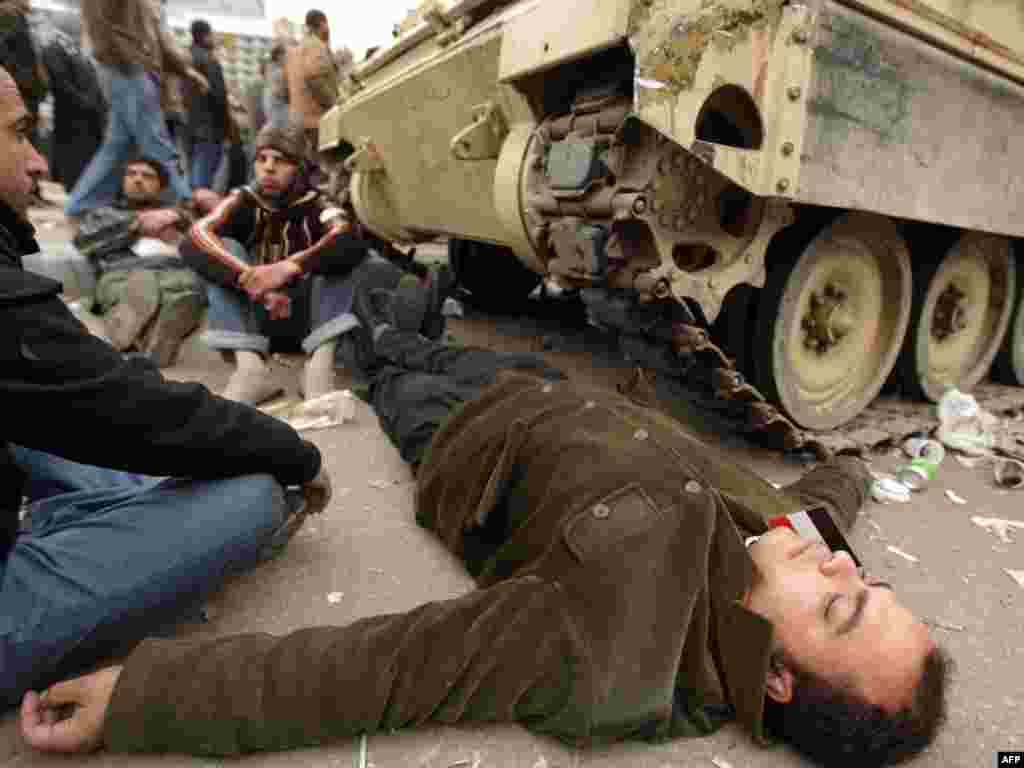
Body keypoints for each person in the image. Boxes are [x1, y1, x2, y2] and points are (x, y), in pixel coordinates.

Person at [19, 259, 950, 766]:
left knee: (390, 365)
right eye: (864, 583)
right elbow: (826, 508)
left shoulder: (612, 653)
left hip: (465, 442)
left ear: (775, 680)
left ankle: (379, 331)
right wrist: (855, 465)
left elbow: (374, 668)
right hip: (554, 394)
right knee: (432, 331)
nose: (838, 569)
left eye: (841, 608)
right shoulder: (796, 556)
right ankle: (404, 313)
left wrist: (141, 696)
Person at [0, 64, 332, 715]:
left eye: (279, 160)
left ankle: (120, 506)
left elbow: (339, 246)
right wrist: (244, 272)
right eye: (18, 134)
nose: (40, 157)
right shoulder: (157, 215)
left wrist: (289, 264)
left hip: (270, 314)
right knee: (254, 489)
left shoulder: (315, 211)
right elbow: (115, 401)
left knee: (106, 389)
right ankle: (144, 498)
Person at [181, 122, 370, 405]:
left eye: (280, 160)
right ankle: (250, 371)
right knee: (223, 249)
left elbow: (349, 236)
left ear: (301, 168)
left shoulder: (319, 202)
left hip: (309, 322)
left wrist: (289, 267)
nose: (268, 168)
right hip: (255, 319)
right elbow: (195, 237)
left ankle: (318, 370)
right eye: (261, 159)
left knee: (340, 254)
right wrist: (248, 278)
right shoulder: (242, 199)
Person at [66, 0, 210, 222]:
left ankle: (81, 203)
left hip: (127, 68)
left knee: (117, 147)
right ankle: (184, 201)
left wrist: (185, 71)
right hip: (130, 69)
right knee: (155, 142)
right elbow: (109, 27)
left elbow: (157, 41)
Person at [71, 157, 212, 366]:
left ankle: (150, 336)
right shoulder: (104, 213)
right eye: (132, 174)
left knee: (183, 291)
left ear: (161, 186)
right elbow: (83, 243)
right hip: (123, 274)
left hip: (174, 272)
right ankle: (145, 332)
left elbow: (205, 248)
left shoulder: (179, 217)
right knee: (135, 289)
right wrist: (135, 225)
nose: (137, 180)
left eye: (147, 176)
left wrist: (180, 220)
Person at [285, 9, 338, 165]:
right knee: (324, 169)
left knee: (306, 170)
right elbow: (314, 77)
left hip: (298, 120)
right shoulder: (316, 46)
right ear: (323, 24)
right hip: (316, 121)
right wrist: (334, 105)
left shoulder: (296, 50)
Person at [184, 19, 228, 191]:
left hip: (190, 123)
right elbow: (219, 97)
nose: (214, 39)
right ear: (205, 36)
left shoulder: (185, 58)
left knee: (192, 167)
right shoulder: (209, 61)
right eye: (212, 35)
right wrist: (225, 129)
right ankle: (198, 206)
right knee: (203, 173)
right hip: (209, 125)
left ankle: (192, 200)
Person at [263, 44, 290, 131]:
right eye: (285, 55)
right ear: (279, 56)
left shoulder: (270, 67)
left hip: (269, 104)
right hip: (278, 107)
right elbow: (277, 91)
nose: (287, 58)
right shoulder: (279, 71)